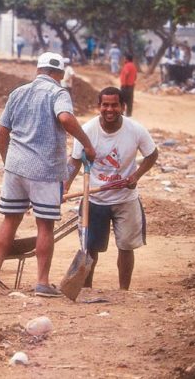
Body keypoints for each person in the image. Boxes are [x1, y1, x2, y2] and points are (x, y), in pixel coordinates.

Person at [0, 52, 96, 297]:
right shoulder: (58, 93)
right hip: (44, 170)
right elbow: (64, 117)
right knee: (45, 225)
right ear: (60, 74)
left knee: (10, 220)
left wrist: (8, 160)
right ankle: (42, 282)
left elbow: (2, 132)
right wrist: (86, 143)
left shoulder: (18, 92)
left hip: (16, 168)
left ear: (38, 69)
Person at [65, 87, 158, 290]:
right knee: (89, 248)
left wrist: (136, 175)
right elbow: (74, 161)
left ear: (122, 107)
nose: (109, 109)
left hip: (126, 199)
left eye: (114, 104)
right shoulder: (87, 130)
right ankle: (86, 289)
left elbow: (152, 154)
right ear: (99, 106)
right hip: (95, 199)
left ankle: (123, 291)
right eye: (105, 105)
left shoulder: (135, 130)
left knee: (125, 246)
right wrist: (65, 186)